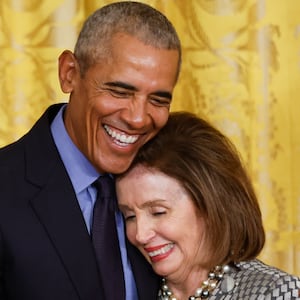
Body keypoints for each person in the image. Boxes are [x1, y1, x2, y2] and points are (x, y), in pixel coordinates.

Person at [0, 2, 181, 299]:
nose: (137, 118)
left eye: (158, 100)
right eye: (120, 91)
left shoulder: (175, 185)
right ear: (69, 73)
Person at [116, 111, 300, 300]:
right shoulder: (131, 288)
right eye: (130, 216)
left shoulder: (276, 292)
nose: (140, 234)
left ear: (210, 204)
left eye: (158, 212)